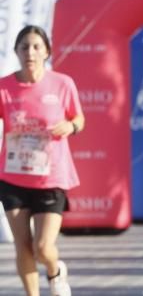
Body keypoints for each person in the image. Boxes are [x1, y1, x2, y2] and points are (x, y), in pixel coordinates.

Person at [0, 25, 84, 296]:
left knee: (42, 248)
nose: (30, 52)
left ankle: (54, 269)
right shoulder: (4, 88)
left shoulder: (62, 84)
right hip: (13, 177)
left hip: (51, 177)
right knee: (22, 245)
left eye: (36, 46)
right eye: (24, 47)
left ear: (47, 51)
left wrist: (70, 127)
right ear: (16, 52)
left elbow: (78, 118)